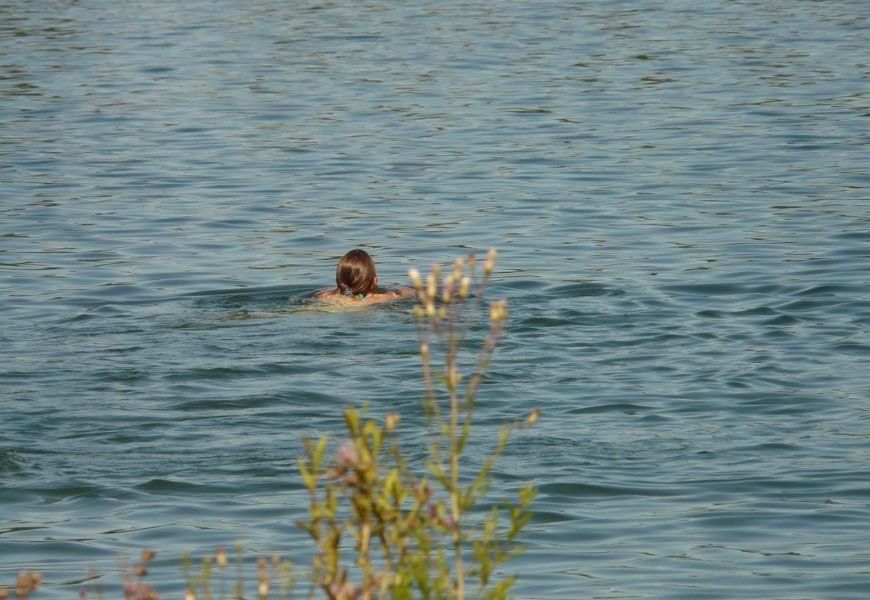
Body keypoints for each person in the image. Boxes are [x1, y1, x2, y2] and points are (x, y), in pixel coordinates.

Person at [314, 249, 414, 305]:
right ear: (375, 281)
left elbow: (322, 293)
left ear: (339, 279)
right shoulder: (384, 298)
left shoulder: (326, 297)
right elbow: (412, 293)